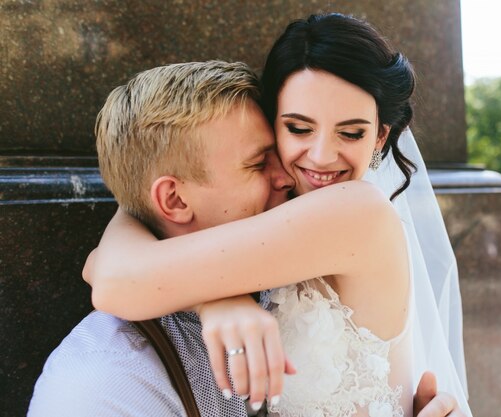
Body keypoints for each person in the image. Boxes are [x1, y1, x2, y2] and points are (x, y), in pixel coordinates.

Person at [85, 13, 471, 417]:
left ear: (379, 137)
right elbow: (106, 260)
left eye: (351, 132)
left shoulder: (359, 212)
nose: (322, 156)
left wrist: (213, 298)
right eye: (299, 128)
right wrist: (218, 301)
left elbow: (116, 277)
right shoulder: (274, 211)